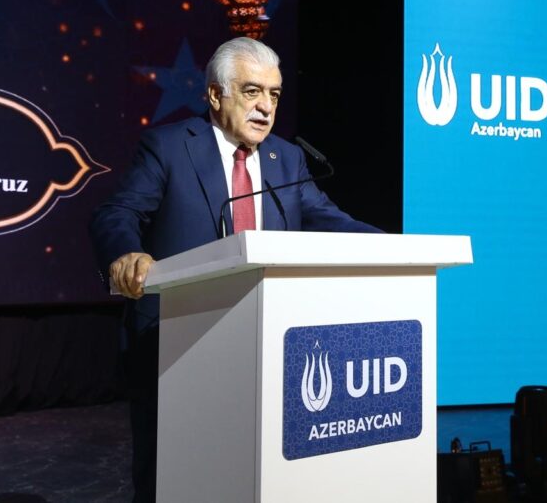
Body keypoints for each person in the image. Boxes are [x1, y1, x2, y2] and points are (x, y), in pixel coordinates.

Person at [89, 36, 380, 502]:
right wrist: (127, 253)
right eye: (252, 91)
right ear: (214, 95)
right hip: (173, 338)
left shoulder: (287, 158)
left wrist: (391, 246)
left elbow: (331, 220)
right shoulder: (170, 146)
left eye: (274, 94)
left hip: (265, 339)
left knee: (251, 469)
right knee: (168, 474)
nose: (266, 107)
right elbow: (117, 213)